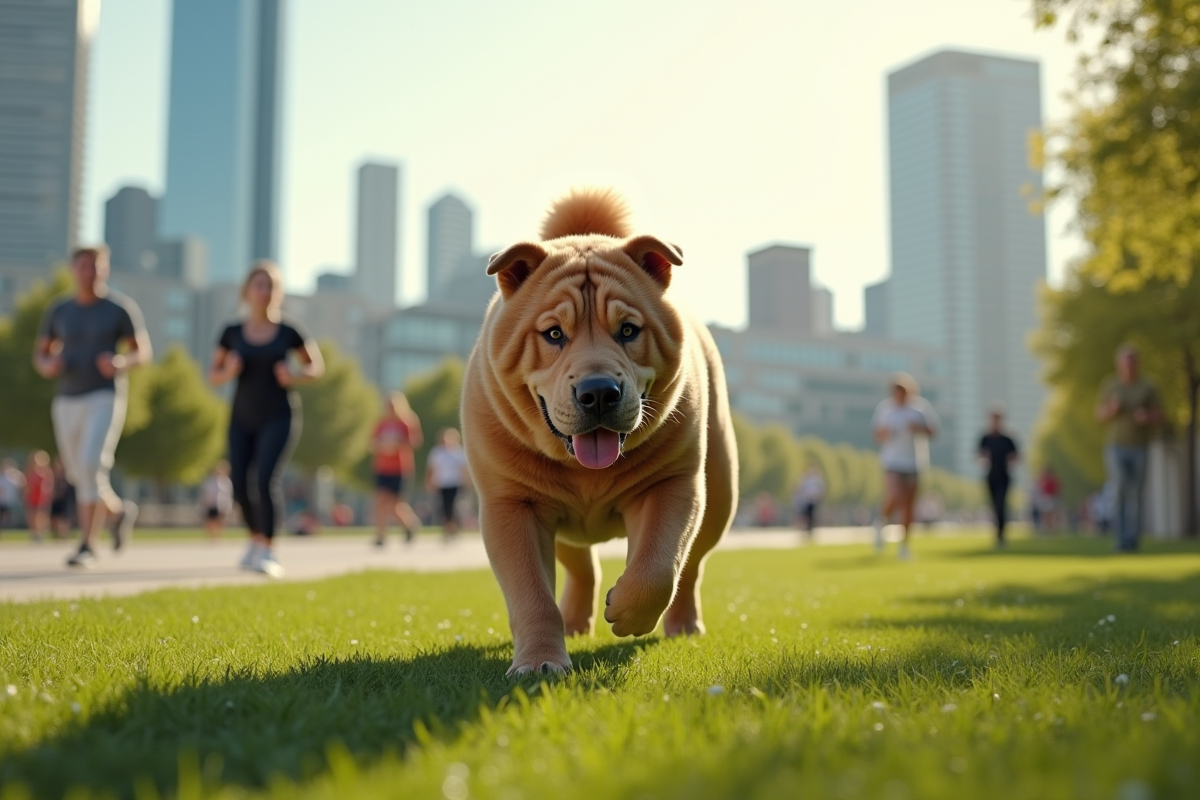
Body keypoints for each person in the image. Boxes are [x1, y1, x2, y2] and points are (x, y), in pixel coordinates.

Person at [33, 246, 150, 567]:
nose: (90, 272)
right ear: (74, 269)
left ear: (105, 269)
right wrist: (49, 364)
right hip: (67, 398)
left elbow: (143, 352)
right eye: (83, 266)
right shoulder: (60, 310)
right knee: (77, 473)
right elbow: (40, 355)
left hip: (104, 395)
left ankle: (87, 544)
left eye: (96, 266)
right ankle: (117, 511)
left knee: (90, 463)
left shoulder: (119, 308)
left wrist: (120, 361)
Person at [209, 261, 324, 577]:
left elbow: (316, 367)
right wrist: (229, 371)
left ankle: (270, 551)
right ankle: (255, 540)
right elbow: (213, 375)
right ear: (247, 291)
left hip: (279, 415)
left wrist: (295, 375)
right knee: (238, 485)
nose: (264, 291)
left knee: (265, 479)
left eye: (270, 286)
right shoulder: (231, 332)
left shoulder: (289, 331)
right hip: (242, 418)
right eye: (258, 285)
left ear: (278, 293)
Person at [1096, 344, 1163, 552]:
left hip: (1140, 447)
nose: (1129, 366)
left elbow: (1160, 415)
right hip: (1115, 447)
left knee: (1137, 494)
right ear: (1119, 364)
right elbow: (1098, 415)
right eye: (1125, 362)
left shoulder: (1148, 386)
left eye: (1132, 362)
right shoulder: (1111, 385)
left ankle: (1134, 540)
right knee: (1121, 489)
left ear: (1137, 364)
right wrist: (1111, 409)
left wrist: (1147, 417)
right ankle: (1122, 540)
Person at [872, 373, 940, 560]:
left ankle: (904, 545)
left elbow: (933, 431)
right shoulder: (885, 410)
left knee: (909, 505)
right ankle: (881, 522)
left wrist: (918, 428)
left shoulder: (919, 409)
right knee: (895, 496)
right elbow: (877, 434)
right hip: (892, 461)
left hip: (914, 462)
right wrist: (886, 432)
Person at [371, 391, 423, 547]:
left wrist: (397, 443)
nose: (390, 408)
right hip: (382, 467)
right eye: (388, 405)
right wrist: (382, 445)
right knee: (380, 501)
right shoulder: (381, 423)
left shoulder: (407, 422)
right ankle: (381, 536)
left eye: (393, 405)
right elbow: (373, 443)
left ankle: (410, 525)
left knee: (396, 505)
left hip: (400, 468)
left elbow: (415, 443)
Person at [978, 407, 1018, 548]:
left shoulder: (1007, 439)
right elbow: (979, 455)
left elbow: (1016, 456)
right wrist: (984, 459)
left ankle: (1001, 535)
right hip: (991, 477)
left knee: (1001, 505)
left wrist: (1011, 460)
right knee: (994, 506)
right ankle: (997, 533)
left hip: (1004, 477)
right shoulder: (985, 438)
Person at [426, 427, 470, 541]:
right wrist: (429, 481)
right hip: (441, 483)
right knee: (443, 507)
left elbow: (463, 469)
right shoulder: (436, 452)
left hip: (454, 483)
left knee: (452, 506)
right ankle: (447, 528)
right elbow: (431, 468)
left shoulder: (458, 452)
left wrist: (466, 482)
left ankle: (452, 528)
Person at [24, 451, 55, 542]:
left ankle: (41, 532)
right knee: (32, 515)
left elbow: (49, 485)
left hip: (41, 498)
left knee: (41, 516)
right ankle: (34, 533)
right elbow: (27, 485)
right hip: (32, 497)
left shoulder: (46, 471)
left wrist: (47, 493)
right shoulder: (30, 471)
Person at [200, 460, 234, 541]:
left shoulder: (226, 481)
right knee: (210, 521)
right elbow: (205, 493)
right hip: (211, 504)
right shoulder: (209, 481)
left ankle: (219, 537)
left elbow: (228, 494)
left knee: (220, 521)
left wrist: (229, 505)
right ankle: (211, 537)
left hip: (221, 504)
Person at [791, 465, 826, 539]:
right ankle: (806, 530)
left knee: (812, 516)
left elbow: (820, 490)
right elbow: (800, 488)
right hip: (806, 501)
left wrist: (819, 497)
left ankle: (811, 530)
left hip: (813, 500)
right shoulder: (804, 479)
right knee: (806, 516)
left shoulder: (816, 480)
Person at [49, 457, 73, 538]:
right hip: (55, 498)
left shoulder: (68, 474)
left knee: (64, 516)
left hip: (64, 498)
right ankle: (57, 533)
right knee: (55, 516)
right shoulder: (53, 474)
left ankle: (64, 533)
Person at [0, 459, 25, 535]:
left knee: (7, 516)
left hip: (10, 500)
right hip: (1, 500)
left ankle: (5, 529)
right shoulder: (1, 476)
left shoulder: (13, 477)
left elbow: (21, 484)